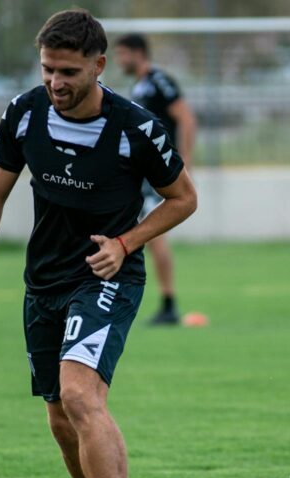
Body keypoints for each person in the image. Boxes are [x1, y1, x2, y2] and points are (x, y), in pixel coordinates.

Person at [0, 10, 197, 478]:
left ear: (99, 65)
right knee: (61, 420)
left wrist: (125, 242)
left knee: (80, 394)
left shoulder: (136, 128)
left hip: (106, 276)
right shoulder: (25, 112)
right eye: (47, 70)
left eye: (68, 71)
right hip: (43, 281)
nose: (55, 83)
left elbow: (183, 199)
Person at [114, 33, 198, 325]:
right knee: (147, 234)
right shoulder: (137, 86)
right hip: (142, 174)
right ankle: (161, 301)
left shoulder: (159, 80)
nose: (119, 60)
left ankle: (168, 303)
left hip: (159, 173)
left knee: (153, 232)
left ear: (138, 53)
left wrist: (185, 162)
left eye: (123, 53)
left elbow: (186, 118)